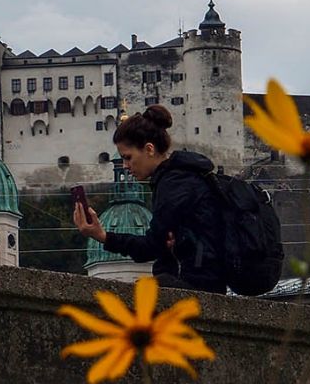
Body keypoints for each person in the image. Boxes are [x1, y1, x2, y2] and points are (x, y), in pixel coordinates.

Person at [72, 105, 227, 294]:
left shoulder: (174, 184)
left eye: (128, 158)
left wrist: (102, 236)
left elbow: (149, 247)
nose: (126, 166)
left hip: (199, 286)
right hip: (202, 282)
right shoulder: (182, 177)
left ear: (149, 149)